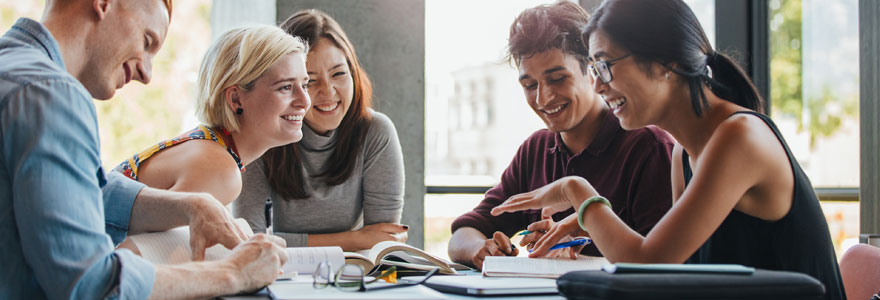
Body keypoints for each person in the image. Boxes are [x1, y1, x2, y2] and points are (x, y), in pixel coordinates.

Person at [490, 1, 845, 299]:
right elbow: (673, 272)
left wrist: (576, 191)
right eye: (594, 68)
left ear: (664, 64)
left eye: (605, 66)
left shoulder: (739, 137)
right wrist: (587, 226)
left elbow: (648, 265)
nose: (597, 85)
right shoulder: (684, 154)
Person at [0, 0, 288, 299]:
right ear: (103, 4)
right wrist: (233, 272)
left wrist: (191, 206)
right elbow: (93, 285)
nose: (146, 74)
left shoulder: (14, 69)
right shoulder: (50, 94)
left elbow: (73, 191)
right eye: (147, 41)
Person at [446, 1, 675, 270]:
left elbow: (660, 264)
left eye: (557, 79)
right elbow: (465, 232)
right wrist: (480, 249)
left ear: (593, 70)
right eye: (530, 85)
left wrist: (581, 242)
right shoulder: (536, 150)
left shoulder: (648, 147)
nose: (542, 98)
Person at [233, 9, 406, 251]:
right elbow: (249, 240)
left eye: (339, 74)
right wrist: (354, 239)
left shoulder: (375, 132)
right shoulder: (262, 133)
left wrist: (363, 241)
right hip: (279, 274)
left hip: (353, 275)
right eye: (310, 81)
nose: (328, 92)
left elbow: (382, 241)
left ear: (354, 73)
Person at [114, 25, 311, 207]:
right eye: (285, 87)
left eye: (305, 85)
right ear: (235, 99)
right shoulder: (219, 171)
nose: (305, 101)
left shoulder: (211, 147)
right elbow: (131, 244)